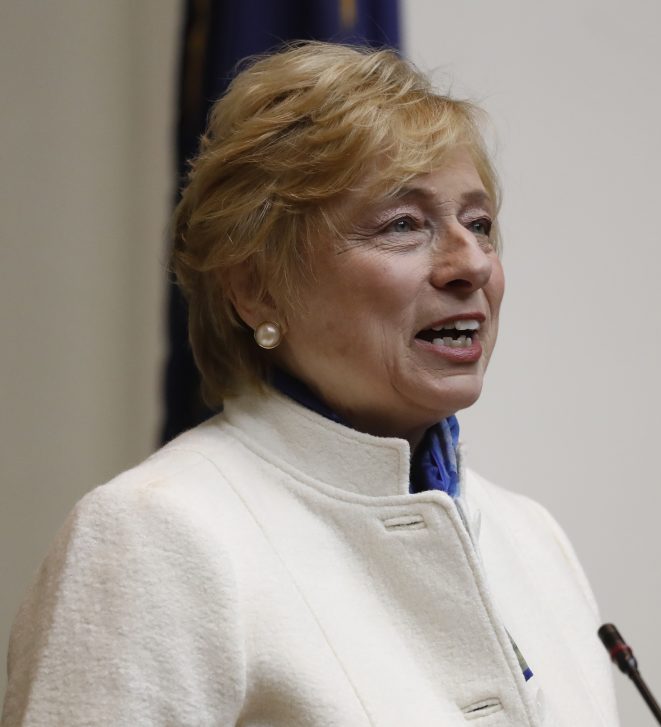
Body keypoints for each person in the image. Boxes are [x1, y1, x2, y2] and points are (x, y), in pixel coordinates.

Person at [1, 43, 619, 726]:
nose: (469, 262)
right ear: (257, 290)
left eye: (479, 224)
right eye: (404, 225)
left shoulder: (530, 536)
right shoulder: (157, 534)